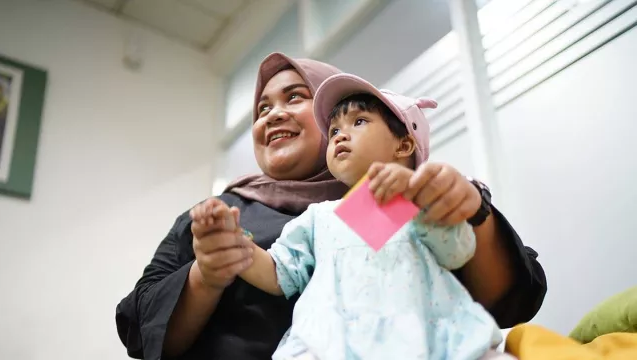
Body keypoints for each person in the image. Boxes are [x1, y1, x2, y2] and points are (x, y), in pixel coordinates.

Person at [115, 52, 547, 360]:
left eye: (296, 97)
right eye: (262, 108)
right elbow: (140, 328)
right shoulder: (219, 214)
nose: (271, 115)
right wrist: (208, 273)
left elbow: (505, 293)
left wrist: (465, 206)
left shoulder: (380, 203)